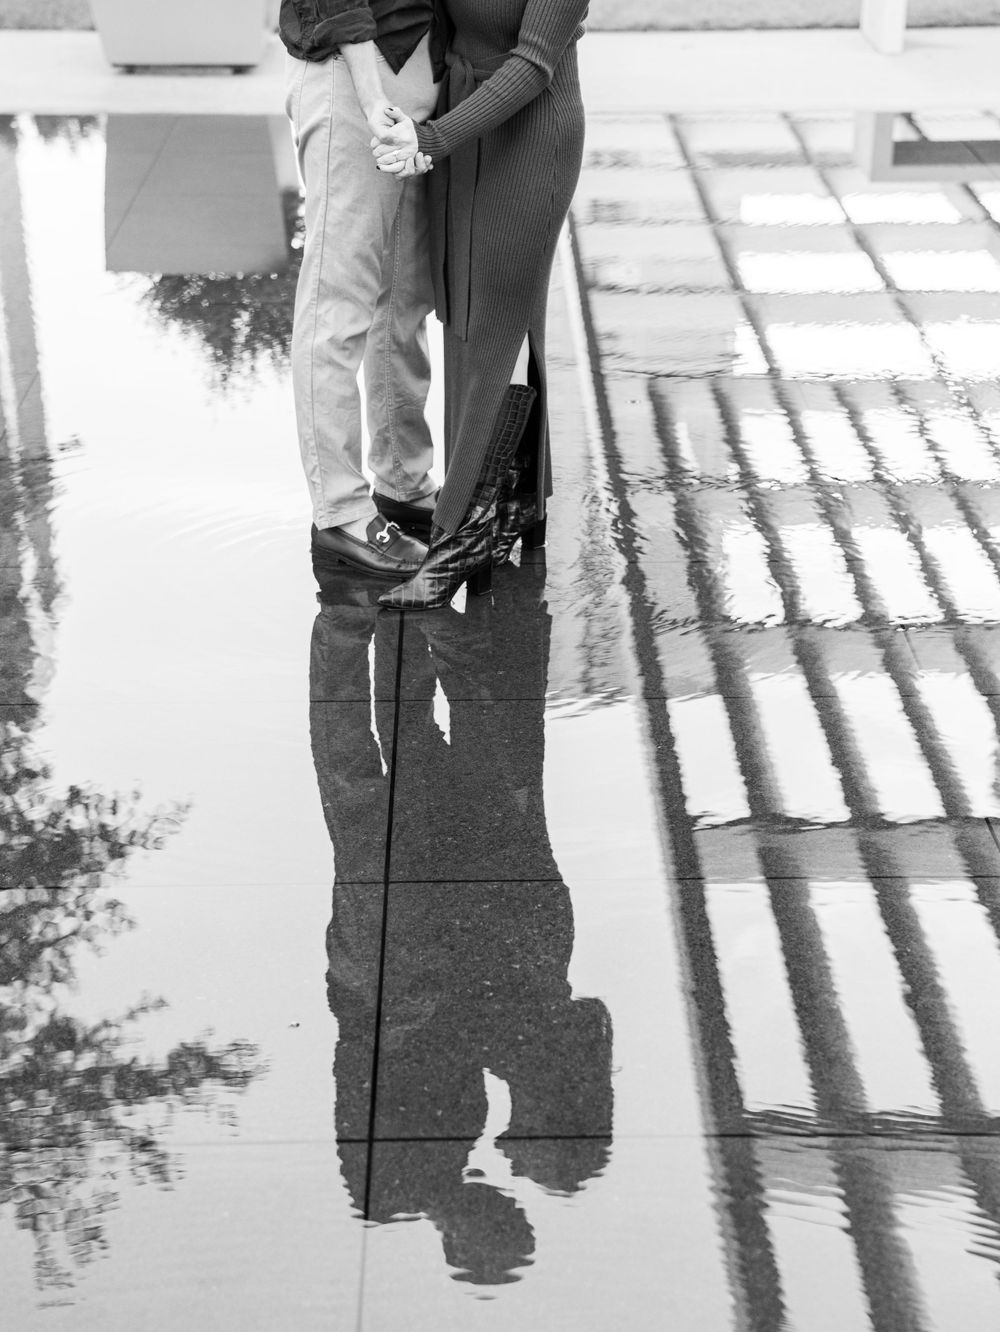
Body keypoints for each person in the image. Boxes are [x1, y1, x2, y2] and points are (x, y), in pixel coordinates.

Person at [370, 0, 590, 610]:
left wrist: (433, 137)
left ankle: (461, 538)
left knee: (496, 330)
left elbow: (534, 63)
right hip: (464, 124)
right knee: (466, 322)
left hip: (531, 138)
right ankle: (514, 504)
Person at [279, 0, 443, 580]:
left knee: (403, 302)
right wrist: (373, 96)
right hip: (353, 79)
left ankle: (402, 481)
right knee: (338, 305)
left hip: (417, 80)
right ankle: (341, 511)